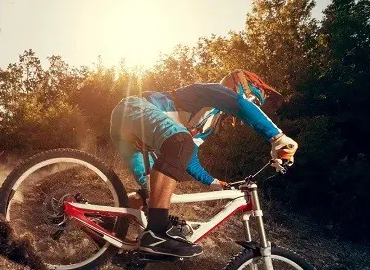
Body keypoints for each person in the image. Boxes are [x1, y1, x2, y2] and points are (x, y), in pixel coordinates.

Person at [109, 69, 298, 258]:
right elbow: (239, 104)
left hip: (131, 137)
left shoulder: (208, 124)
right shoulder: (211, 90)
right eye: (254, 100)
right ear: (240, 87)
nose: (253, 105)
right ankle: (157, 232)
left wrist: (214, 182)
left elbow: (190, 159)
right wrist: (277, 137)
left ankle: (109, 230)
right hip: (134, 109)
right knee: (180, 142)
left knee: (151, 192)